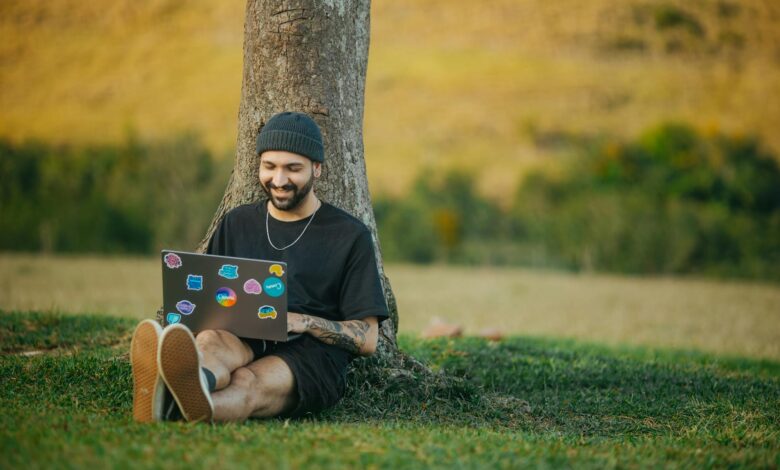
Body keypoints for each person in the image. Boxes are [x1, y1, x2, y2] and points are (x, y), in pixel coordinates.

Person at [130, 111, 388, 423]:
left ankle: (172, 411)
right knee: (209, 343)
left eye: (293, 168)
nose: (279, 180)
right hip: (242, 334)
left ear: (317, 169)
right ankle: (180, 384)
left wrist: (303, 322)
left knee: (248, 383)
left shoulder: (349, 235)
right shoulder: (237, 222)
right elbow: (208, 301)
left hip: (310, 353)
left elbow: (368, 338)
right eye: (270, 167)